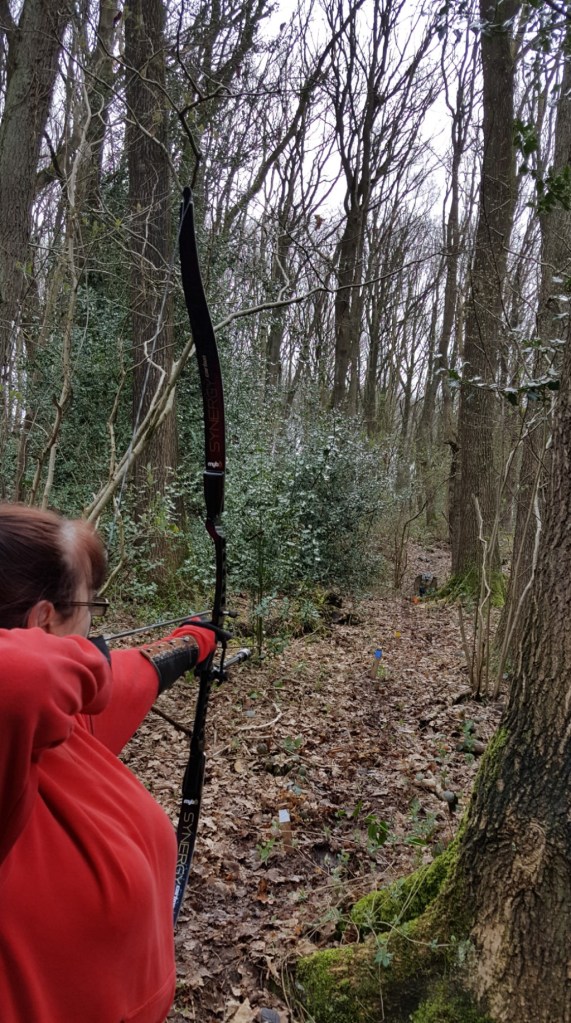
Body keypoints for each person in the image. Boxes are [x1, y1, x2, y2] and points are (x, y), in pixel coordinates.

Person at [0, 502, 218, 1023]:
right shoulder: (12, 747)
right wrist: (92, 664)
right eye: (88, 608)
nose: (98, 630)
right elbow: (26, 680)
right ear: (42, 620)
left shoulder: (61, 730)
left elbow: (134, 675)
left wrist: (191, 643)